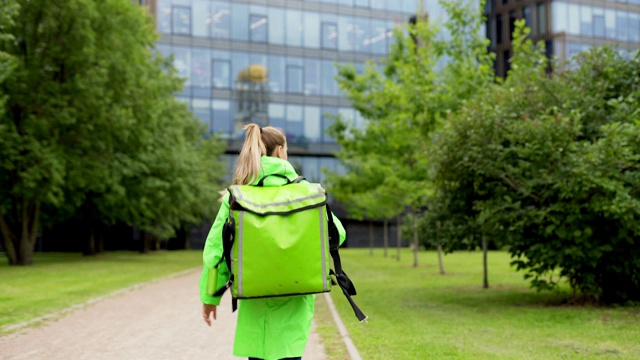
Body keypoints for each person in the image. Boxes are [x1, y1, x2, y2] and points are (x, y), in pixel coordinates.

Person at [199, 124, 346, 360]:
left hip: (255, 302)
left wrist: (210, 298)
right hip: (295, 298)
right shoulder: (307, 192)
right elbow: (337, 234)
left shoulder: (237, 198)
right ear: (279, 151)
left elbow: (215, 254)